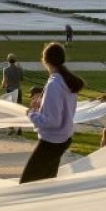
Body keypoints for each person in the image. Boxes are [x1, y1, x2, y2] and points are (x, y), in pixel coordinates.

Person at [21, 42, 85, 184]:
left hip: (52, 141)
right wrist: (41, 106)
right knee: (46, 183)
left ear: (45, 60)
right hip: (63, 138)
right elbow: (63, 110)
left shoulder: (55, 84)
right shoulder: (66, 81)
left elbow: (52, 121)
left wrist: (31, 114)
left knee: (26, 184)